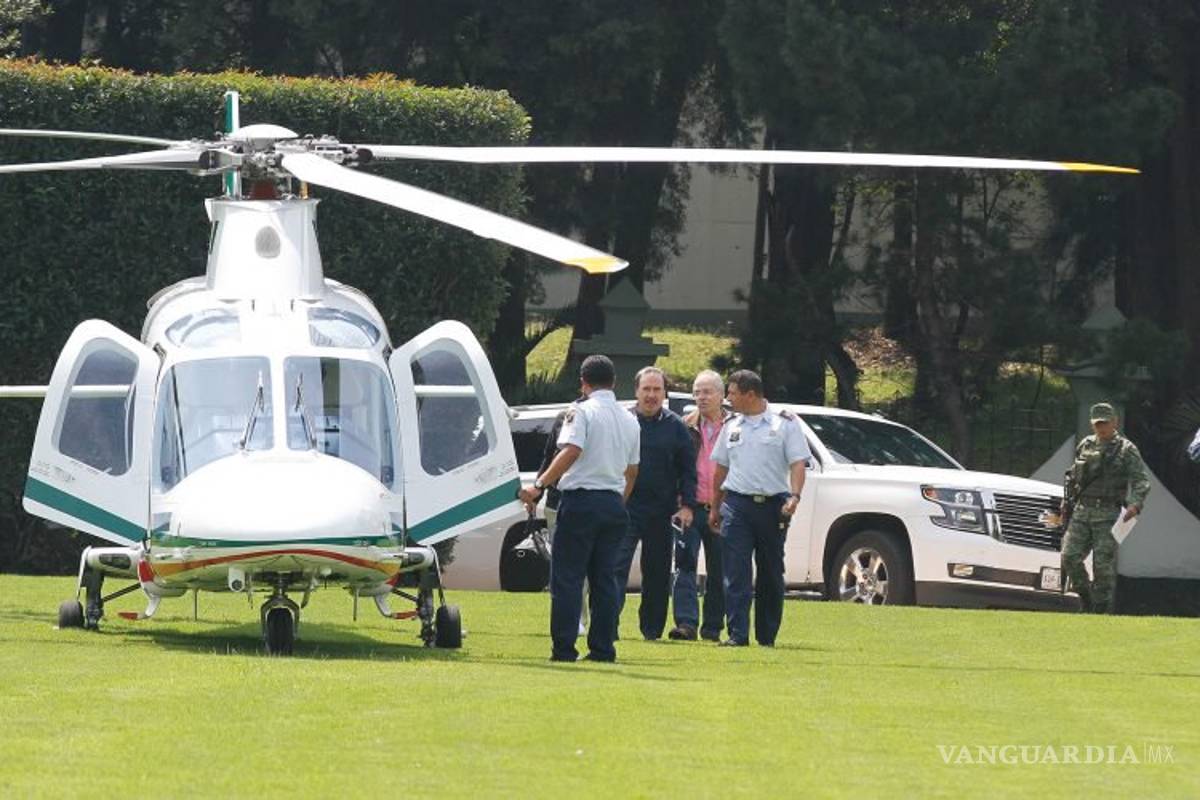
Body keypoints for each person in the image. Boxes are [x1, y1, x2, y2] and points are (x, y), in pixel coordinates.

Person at [519, 355, 640, 662]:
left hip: (581, 501)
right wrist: (618, 500)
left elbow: (571, 450)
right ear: (613, 382)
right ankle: (603, 648)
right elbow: (632, 470)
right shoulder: (630, 419)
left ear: (583, 383)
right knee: (605, 580)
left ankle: (564, 648)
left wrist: (540, 485)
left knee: (568, 578)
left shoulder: (580, 411)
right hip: (613, 502)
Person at [709, 370, 810, 647]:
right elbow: (721, 468)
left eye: (732, 393)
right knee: (736, 572)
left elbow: (797, 463)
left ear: (750, 394)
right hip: (737, 505)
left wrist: (795, 496)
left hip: (772, 506)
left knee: (770, 572)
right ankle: (737, 634)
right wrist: (715, 506)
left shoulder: (784, 424)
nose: (728, 398)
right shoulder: (731, 426)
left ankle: (766, 636)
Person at [614, 366, 697, 641]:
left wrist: (687, 505)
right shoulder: (621, 421)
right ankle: (607, 625)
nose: (651, 395)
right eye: (646, 389)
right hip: (624, 508)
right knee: (615, 568)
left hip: (661, 511)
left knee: (658, 574)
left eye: (656, 390)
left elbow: (688, 470)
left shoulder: (676, 427)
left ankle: (651, 631)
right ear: (636, 391)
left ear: (665, 393)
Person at [1060, 402, 1151, 614]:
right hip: (1082, 511)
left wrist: (1135, 504)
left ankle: (1099, 613)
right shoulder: (1086, 445)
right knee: (1069, 556)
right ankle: (1086, 598)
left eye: (1105, 423)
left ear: (1114, 422)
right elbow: (1075, 476)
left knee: (1103, 568)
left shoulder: (1127, 450)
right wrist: (1067, 500)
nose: (1101, 428)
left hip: (1109, 513)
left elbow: (1141, 481)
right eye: (1097, 424)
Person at [668, 369, 732, 642]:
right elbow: (675, 468)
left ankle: (713, 627)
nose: (701, 398)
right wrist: (681, 503)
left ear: (721, 395)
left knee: (721, 570)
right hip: (690, 508)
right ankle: (686, 624)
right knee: (684, 565)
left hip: (724, 507)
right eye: (697, 392)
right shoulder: (685, 425)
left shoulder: (735, 426)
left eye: (707, 392)